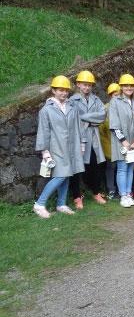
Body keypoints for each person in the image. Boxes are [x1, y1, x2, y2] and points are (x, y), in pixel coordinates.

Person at [33, 76, 86, 218]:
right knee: (60, 175)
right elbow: (43, 131)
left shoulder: (72, 107)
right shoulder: (46, 110)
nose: (63, 93)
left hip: (71, 147)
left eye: (66, 90)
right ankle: (39, 204)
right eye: (60, 90)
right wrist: (44, 151)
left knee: (67, 174)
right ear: (53, 91)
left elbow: (78, 126)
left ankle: (61, 204)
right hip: (55, 148)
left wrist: (82, 143)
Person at [68, 70, 107, 208]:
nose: (87, 87)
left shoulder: (96, 100)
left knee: (95, 166)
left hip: (94, 138)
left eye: (89, 85)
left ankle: (96, 192)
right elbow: (72, 118)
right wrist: (92, 119)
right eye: (84, 84)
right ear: (78, 84)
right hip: (79, 138)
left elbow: (102, 116)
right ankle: (77, 196)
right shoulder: (71, 101)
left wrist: (83, 117)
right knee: (77, 168)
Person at [108, 74, 134, 208]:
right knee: (122, 169)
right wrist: (124, 141)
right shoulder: (115, 102)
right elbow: (114, 124)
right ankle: (123, 195)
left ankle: (129, 193)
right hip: (121, 143)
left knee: (130, 168)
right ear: (121, 87)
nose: (129, 88)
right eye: (126, 85)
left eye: (131, 86)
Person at [99, 83, 121, 200]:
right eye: (113, 95)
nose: (115, 97)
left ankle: (120, 189)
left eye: (117, 95)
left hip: (121, 144)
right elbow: (102, 130)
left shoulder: (123, 107)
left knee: (121, 168)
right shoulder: (105, 109)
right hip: (109, 143)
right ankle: (111, 189)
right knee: (111, 167)